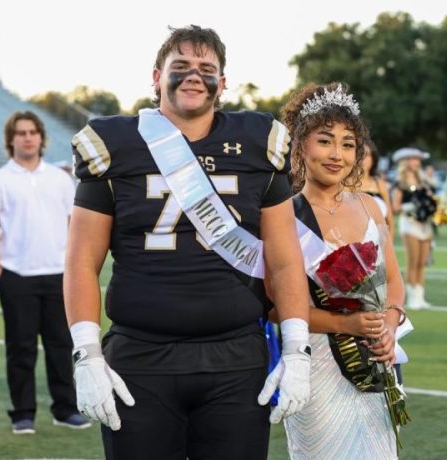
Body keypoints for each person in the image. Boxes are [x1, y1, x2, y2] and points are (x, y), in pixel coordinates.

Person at [64, 25, 311, 460]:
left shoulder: (258, 141)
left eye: (206, 68)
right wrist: (86, 354)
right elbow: (82, 261)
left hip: (235, 357)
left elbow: (286, 260)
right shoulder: (115, 143)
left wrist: (297, 349)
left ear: (223, 83)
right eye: (180, 66)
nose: (194, 76)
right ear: (156, 77)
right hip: (140, 357)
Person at [278, 82, 406, 459]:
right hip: (317, 366)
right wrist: (344, 325)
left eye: (348, 144)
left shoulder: (371, 206)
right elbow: (272, 306)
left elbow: (394, 280)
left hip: (378, 357)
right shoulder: (283, 214)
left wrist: (390, 322)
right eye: (325, 141)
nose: (337, 154)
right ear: (300, 145)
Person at [0, 111, 89, 434]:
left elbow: (73, 225)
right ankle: (23, 413)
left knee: (61, 346)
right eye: (21, 133)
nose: (28, 137)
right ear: (11, 139)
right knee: (21, 349)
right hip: (16, 274)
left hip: (59, 275)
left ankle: (66, 408)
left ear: (41, 138)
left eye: (33, 132)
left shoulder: (60, 179)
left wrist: (74, 269)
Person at [391, 147, 437, 309]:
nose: (417, 163)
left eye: (418, 160)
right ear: (406, 161)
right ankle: (411, 298)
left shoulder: (423, 180)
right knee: (413, 261)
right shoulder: (399, 182)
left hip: (425, 224)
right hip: (409, 223)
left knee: (423, 262)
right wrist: (409, 206)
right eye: (413, 159)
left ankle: (420, 297)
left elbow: (431, 198)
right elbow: (395, 207)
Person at [358, 138, 395, 236]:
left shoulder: (380, 184)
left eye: (367, 155)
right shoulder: (344, 184)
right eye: (359, 154)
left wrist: (388, 246)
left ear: (373, 158)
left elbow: (390, 221)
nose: (363, 159)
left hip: (379, 239)